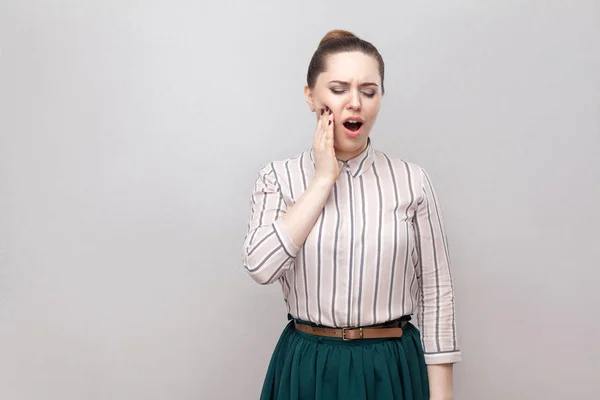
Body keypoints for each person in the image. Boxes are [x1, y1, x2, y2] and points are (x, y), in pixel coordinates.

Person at [242, 29, 461, 400]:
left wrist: (441, 397)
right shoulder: (278, 178)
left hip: (390, 367)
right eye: (339, 89)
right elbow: (261, 266)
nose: (355, 103)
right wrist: (323, 179)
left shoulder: (413, 181)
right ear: (311, 96)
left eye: (369, 91)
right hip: (308, 365)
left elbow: (437, 294)